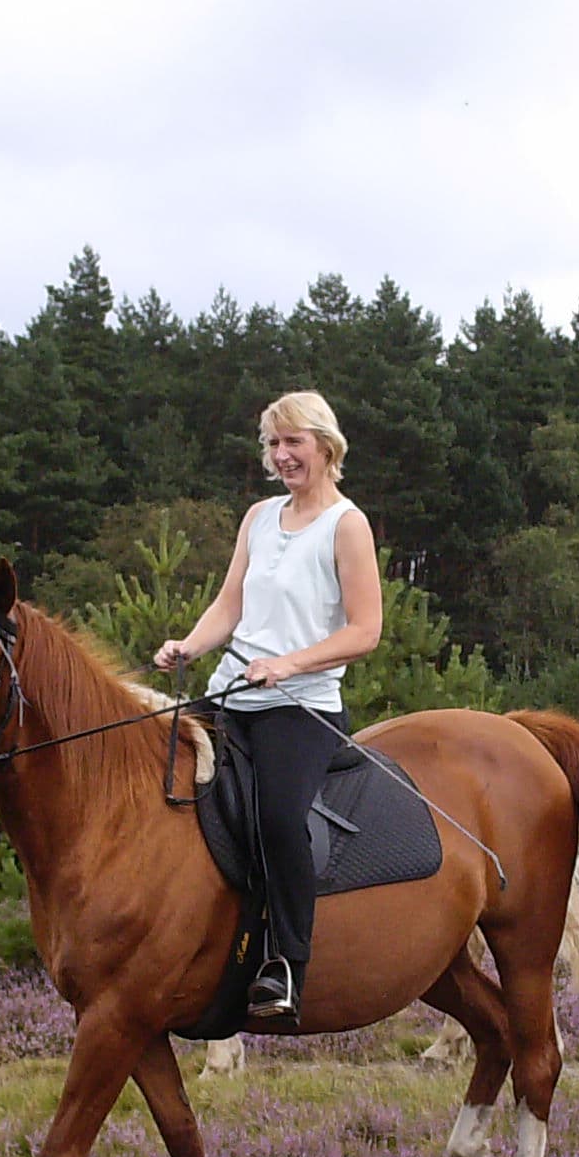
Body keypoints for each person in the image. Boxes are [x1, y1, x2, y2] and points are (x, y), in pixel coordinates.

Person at [154, 391, 384, 1023]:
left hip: (300, 706)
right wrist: (189, 645)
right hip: (232, 693)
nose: (282, 456)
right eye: (274, 445)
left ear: (326, 447)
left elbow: (366, 631)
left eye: (294, 443)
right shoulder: (258, 517)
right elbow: (230, 605)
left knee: (280, 819)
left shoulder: (346, 524)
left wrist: (289, 663)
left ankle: (285, 964)